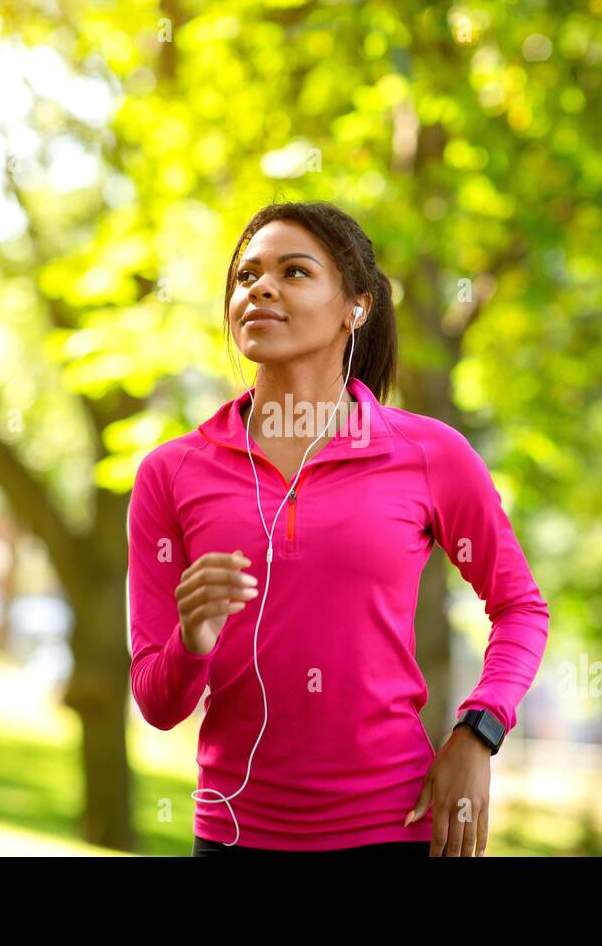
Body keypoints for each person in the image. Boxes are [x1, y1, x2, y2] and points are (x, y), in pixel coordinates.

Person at [126, 200, 550, 856]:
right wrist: (192, 638)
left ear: (356, 307)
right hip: (233, 836)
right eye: (246, 276)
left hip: (392, 830)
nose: (260, 287)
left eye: (294, 272)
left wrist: (478, 732)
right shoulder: (172, 472)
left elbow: (520, 606)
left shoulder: (428, 454)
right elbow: (158, 704)